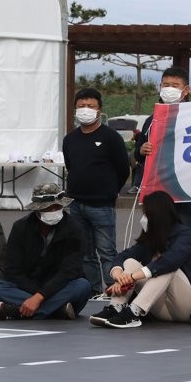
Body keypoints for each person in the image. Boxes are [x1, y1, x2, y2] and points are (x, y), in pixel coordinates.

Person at [88, 191, 191, 329]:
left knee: (164, 268)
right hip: (163, 310)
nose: (143, 217)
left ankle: (133, 312)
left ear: (157, 214)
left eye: (146, 213)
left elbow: (169, 262)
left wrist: (131, 277)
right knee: (130, 262)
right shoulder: (150, 237)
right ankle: (116, 307)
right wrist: (119, 276)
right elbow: (123, 256)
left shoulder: (185, 235)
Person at [62, 86, 131, 297]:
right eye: (81, 106)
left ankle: (114, 292)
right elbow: (70, 166)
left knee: (107, 252)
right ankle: (92, 292)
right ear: (75, 109)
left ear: (99, 110)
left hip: (102, 205)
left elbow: (123, 169)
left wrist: (110, 191)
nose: (85, 109)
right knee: (84, 253)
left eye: (90, 106)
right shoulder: (70, 139)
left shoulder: (111, 137)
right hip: (76, 204)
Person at [0, 183, 89, 320]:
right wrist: (36, 295)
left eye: (57, 207)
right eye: (48, 208)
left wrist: (40, 297)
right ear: (37, 211)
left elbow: (69, 271)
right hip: (27, 286)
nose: (54, 211)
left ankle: (17, 311)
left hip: (59, 286)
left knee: (83, 286)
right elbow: (12, 270)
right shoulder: (20, 228)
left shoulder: (75, 229)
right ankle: (56, 311)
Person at [133, 66, 191, 231]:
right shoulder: (152, 120)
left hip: (184, 191)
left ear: (186, 90)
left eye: (175, 85)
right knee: (155, 238)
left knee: (186, 237)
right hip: (157, 192)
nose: (169, 89)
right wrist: (141, 151)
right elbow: (137, 155)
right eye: (165, 85)